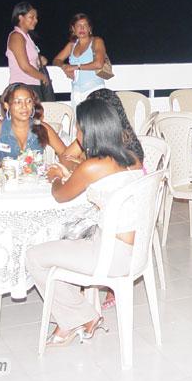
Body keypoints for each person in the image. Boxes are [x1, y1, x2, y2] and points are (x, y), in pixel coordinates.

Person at [26, 98, 144, 347]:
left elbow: (60, 195)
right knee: (66, 238)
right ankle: (79, 315)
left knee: (33, 256)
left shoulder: (92, 167)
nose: (76, 133)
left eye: (79, 128)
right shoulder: (132, 158)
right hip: (135, 250)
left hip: (110, 255)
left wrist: (56, 177)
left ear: (90, 131)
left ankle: (78, 318)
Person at [0, 83, 67, 165]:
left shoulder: (43, 127)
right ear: (7, 105)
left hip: (35, 179)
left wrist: (60, 170)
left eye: (28, 101)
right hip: (6, 178)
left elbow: (66, 156)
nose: (24, 106)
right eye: (18, 102)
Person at [58, 88, 144, 170]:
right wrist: (77, 166)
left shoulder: (124, 141)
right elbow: (64, 158)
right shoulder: (89, 135)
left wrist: (82, 165)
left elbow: (109, 170)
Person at [52, 14, 107, 110]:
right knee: (77, 119)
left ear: (89, 28)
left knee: (94, 119)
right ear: (73, 29)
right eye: (78, 25)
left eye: (85, 25)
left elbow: (99, 64)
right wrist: (64, 67)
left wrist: (75, 67)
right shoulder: (72, 45)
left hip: (94, 88)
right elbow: (56, 60)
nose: (82, 28)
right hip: (76, 91)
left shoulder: (96, 41)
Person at [6, 1, 50, 100]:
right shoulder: (16, 36)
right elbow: (25, 66)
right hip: (23, 86)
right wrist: (43, 77)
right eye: (31, 17)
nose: (36, 20)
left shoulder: (27, 37)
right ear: (20, 17)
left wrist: (39, 59)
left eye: (36, 17)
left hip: (32, 85)